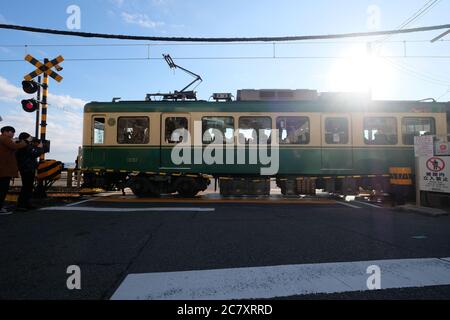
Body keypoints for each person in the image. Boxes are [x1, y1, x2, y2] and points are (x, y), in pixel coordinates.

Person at [0, 126, 27, 215]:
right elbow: (15, 147)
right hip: (4, 169)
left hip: (4, 168)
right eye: (12, 132)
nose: (13, 134)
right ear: (5, 132)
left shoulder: (3, 139)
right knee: (3, 189)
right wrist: (25, 142)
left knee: (3, 188)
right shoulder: (4, 138)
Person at [15, 133, 45, 210]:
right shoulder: (25, 145)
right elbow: (34, 153)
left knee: (28, 187)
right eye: (30, 137)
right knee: (27, 187)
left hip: (25, 167)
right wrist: (40, 148)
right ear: (26, 138)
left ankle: (25, 203)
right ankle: (22, 204)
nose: (31, 138)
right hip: (27, 168)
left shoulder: (22, 145)